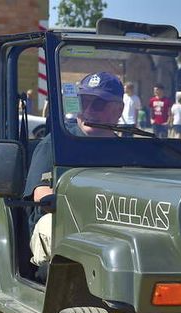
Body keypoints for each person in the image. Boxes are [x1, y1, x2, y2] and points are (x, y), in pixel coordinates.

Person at [24, 71, 124, 268]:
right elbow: (41, 194)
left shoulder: (129, 150)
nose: (87, 110)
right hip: (62, 222)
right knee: (59, 232)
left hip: (113, 227)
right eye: (83, 102)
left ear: (119, 110)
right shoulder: (56, 144)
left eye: (98, 104)